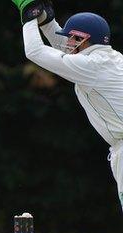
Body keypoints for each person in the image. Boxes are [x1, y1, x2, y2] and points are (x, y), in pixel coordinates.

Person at [14, 3, 123, 210]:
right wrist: (46, 22)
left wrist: (29, 16)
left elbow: (35, 51)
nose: (68, 42)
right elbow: (65, 52)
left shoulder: (91, 66)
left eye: (72, 38)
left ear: (84, 39)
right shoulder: (111, 58)